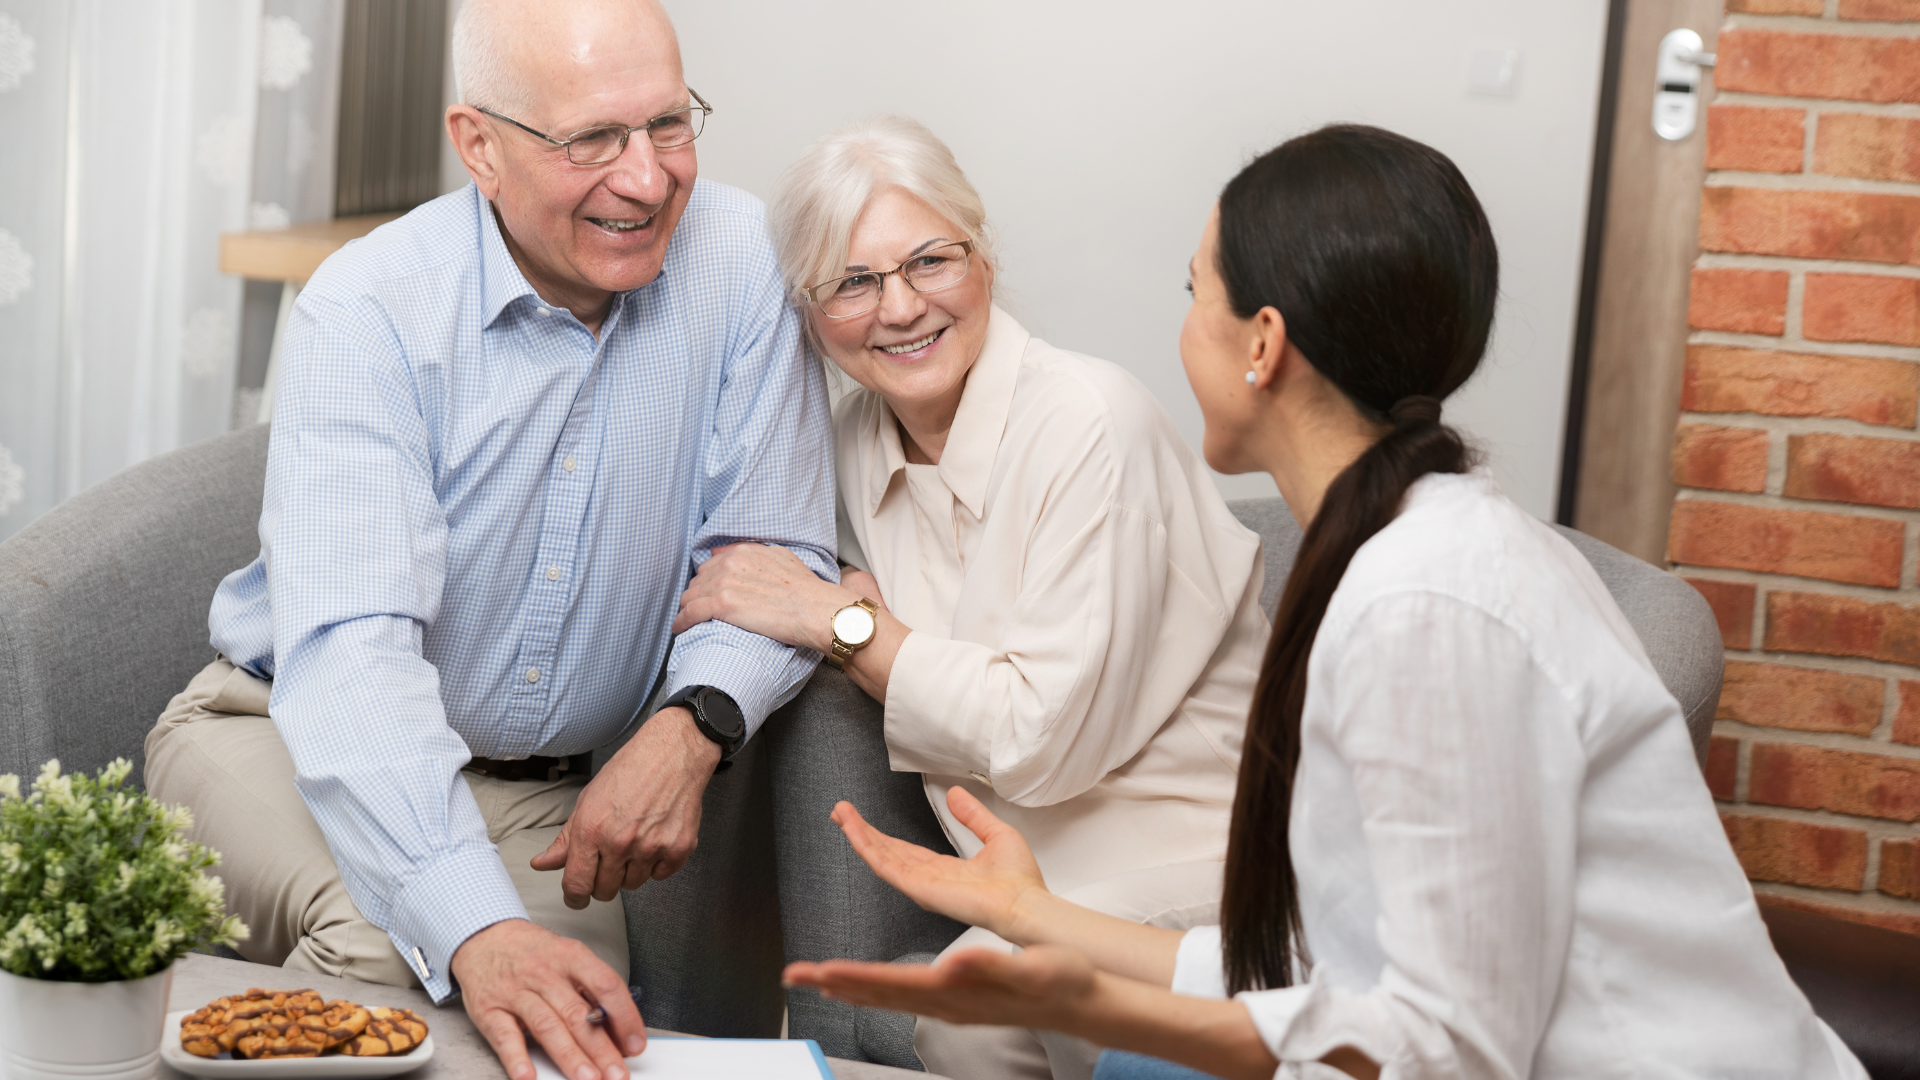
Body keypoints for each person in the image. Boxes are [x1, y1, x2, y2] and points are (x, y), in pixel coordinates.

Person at [783, 124, 1869, 1080]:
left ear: (1261, 346)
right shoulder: (1400, 553)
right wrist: (1037, 919)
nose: (1176, 335)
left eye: (1192, 293)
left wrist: (1115, 1014)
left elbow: (1442, 1053)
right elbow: (1330, 966)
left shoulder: (1432, 609)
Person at [141, 2, 836, 1079]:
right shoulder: (367, 309)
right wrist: (476, 929)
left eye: (668, 125)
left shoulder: (744, 261)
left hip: (541, 798)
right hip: (276, 731)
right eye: (592, 140)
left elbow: (773, 556)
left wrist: (692, 724)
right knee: (397, 961)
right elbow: (353, 668)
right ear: (480, 146)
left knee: (581, 1036)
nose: (648, 179)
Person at [671, 116, 1269, 1079]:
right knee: (966, 1009)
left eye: (930, 262)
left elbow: (1039, 737)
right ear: (810, 312)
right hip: (1026, 884)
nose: (899, 307)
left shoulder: (1089, 421)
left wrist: (845, 623)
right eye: (853, 283)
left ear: (983, 255)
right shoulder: (854, 437)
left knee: (988, 998)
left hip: (1207, 865)